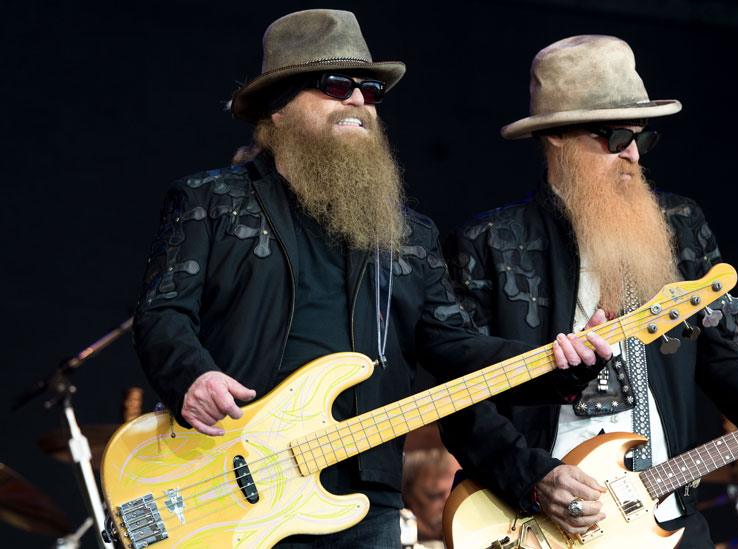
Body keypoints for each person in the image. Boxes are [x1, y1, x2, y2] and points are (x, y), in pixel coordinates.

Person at [133, 11, 611, 547]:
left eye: (371, 91)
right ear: (279, 110)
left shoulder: (407, 234)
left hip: (364, 499)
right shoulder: (211, 201)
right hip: (233, 479)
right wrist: (193, 377)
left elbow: (455, 347)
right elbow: (163, 311)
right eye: (337, 86)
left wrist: (556, 364)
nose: (358, 100)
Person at [440, 35, 738, 547]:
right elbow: (458, 399)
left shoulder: (680, 226)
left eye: (643, 138)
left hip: (664, 514)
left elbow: (727, 361)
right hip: (536, 522)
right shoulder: (490, 241)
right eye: (617, 138)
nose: (634, 155)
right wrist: (532, 479)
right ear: (556, 139)